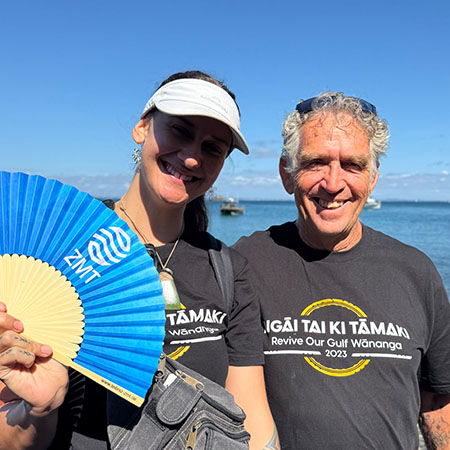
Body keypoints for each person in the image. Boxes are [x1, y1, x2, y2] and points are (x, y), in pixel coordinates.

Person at [0, 71, 279, 449]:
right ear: (142, 128)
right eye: (179, 131)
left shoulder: (227, 271)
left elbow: (251, 419)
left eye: (213, 148)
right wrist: (40, 408)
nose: (193, 157)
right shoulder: (58, 254)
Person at [234, 92, 450, 449]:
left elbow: (437, 400)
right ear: (287, 173)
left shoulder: (417, 272)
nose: (333, 184)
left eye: (352, 165)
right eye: (316, 162)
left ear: (373, 178)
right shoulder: (243, 264)